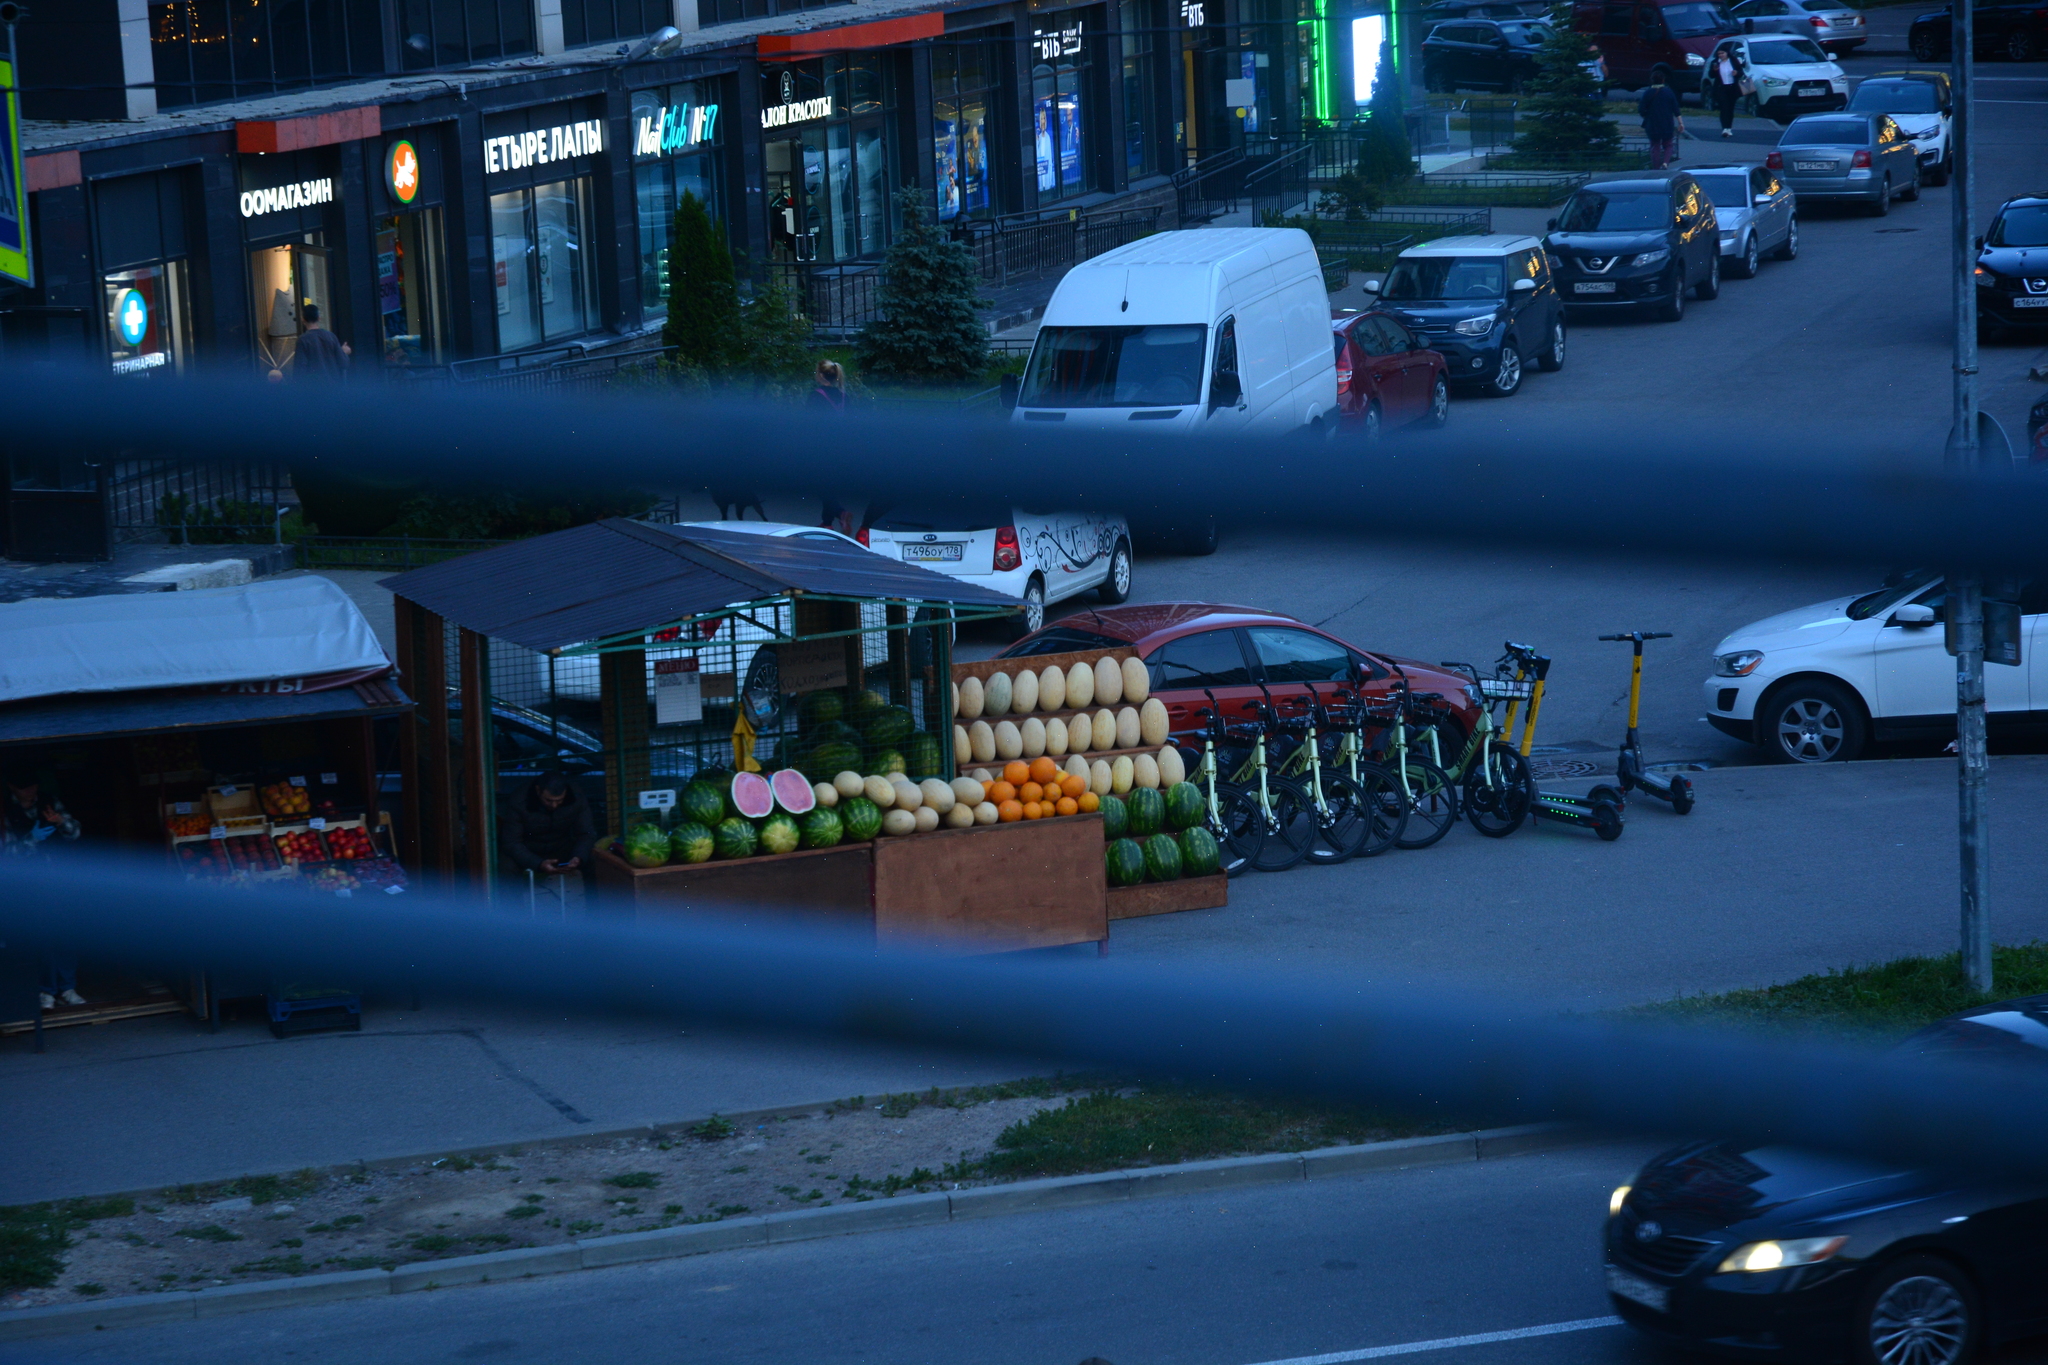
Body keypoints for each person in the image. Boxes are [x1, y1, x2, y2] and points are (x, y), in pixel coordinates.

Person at [4, 773, 85, 1010]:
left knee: (67, 934)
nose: (29, 791)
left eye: (32, 786)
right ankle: (46, 990)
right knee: (42, 937)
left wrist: (60, 822)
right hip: (30, 886)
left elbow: (75, 832)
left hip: (61, 881)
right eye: (23, 787)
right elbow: (8, 853)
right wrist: (32, 838)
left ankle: (67, 988)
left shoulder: (49, 801)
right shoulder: (6, 810)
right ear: (11, 787)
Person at [499, 772, 596, 912]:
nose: (554, 805)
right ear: (538, 791)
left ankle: (596, 913)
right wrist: (538, 863)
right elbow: (511, 842)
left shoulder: (576, 797)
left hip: (560, 846)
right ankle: (514, 918)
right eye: (549, 800)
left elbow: (586, 833)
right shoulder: (519, 800)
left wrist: (578, 857)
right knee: (506, 866)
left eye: (559, 800)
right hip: (528, 849)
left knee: (594, 858)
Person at [1638, 70, 1683, 170]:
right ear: (1663, 80)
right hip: (1667, 123)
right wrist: (1680, 123)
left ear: (1652, 80)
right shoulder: (1669, 92)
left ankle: (1656, 167)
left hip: (1652, 124)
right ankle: (1666, 163)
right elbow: (1676, 109)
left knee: (1655, 146)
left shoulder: (1647, 93)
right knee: (1668, 145)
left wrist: (1647, 116)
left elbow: (1641, 109)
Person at [295, 304, 351, 379]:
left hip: (314, 387)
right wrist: (344, 352)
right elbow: (343, 363)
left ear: (303, 319)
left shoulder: (303, 340)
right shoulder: (331, 336)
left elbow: (299, 370)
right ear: (319, 318)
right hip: (333, 386)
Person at [1709, 45, 1746, 139]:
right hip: (1721, 88)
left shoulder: (1733, 61)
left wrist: (1737, 73)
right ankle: (1724, 128)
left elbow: (1741, 72)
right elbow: (1711, 75)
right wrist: (1714, 70)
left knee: (1730, 108)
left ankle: (1729, 128)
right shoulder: (1715, 63)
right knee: (1724, 107)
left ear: (1727, 53)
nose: (1721, 55)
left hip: (1732, 88)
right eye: (1719, 54)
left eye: (1722, 53)